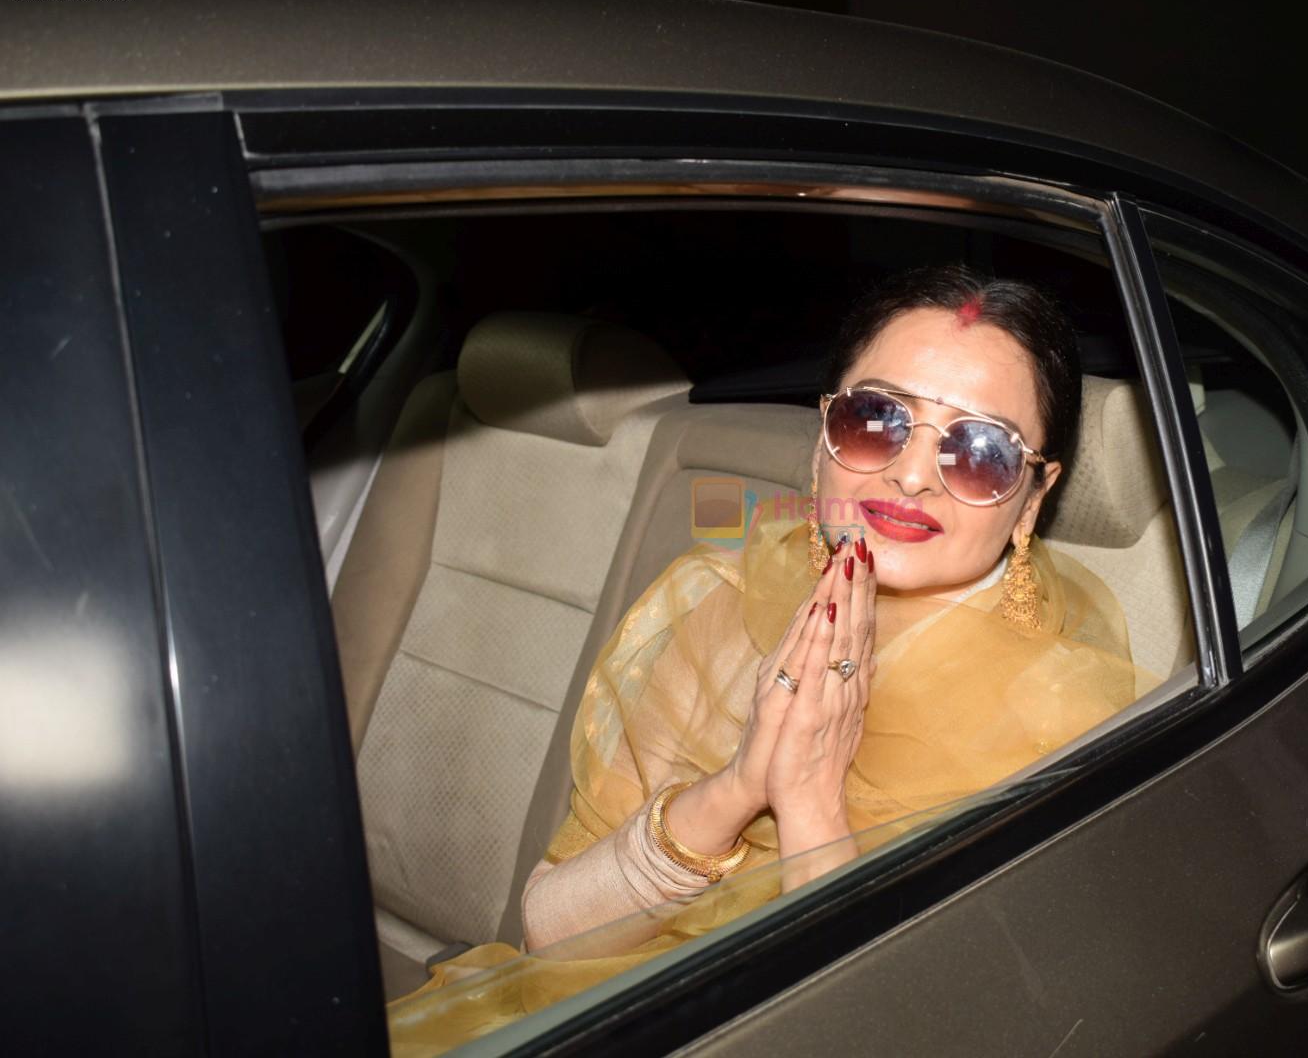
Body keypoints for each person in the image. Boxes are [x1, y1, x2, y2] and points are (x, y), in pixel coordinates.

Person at [388, 264, 1147, 1051]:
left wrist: (812, 804)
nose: (912, 473)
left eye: (981, 450)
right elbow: (548, 930)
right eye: (876, 418)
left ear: (1032, 497)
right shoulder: (724, 597)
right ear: (823, 439)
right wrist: (740, 786)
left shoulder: (1071, 722)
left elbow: (900, 1028)